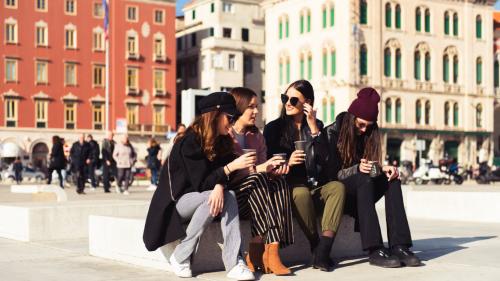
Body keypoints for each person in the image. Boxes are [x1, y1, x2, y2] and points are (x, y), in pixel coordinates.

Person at [143, 92, 255, 280]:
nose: (232, 122)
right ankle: (181, 255)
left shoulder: (222, 140)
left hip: (204, 197)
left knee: (228, 196)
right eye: (229, 117)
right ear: (215, 115)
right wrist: (228, 169)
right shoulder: (189, 142)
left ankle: (233, 263)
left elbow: (220, 176)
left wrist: (222, 182)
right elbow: (201, 183)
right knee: (212, 197)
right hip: (177, 202)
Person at [321, 87, 422, 268]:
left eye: (369, 125)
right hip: (340, 191)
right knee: (364, 177)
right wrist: (357, 168)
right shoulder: (332, 132)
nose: (364, 129)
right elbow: (331, 174)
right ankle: (374, 249)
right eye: (360, 124)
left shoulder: (368, 134)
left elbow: (370, 167)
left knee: (392, 181)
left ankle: (399, 246)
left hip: (363, 189)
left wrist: (383, 169)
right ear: (352, 118)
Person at [263, 80, 345, 272]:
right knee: (300, 193)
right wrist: (288, 163)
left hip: (316, 185)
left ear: (307, 102)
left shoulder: (317, 126)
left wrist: (314, 128)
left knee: (338, 188)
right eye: (285, 98)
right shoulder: (274, 128)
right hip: (291, 186)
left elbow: (329, 162)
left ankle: (324, 250)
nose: (288, 103)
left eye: (293, 99)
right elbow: (269, 162)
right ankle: (316, 244)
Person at [229, 87, 294, 275]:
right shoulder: (226, 135)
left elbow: (263, 170)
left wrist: (273, 171)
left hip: (258, 194)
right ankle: (259, 250)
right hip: (236, 197)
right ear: (239, 108)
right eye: (251, 107)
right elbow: (228, 176)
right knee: (258, 177)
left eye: (257, 106)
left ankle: (269, 251)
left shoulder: (256, 135)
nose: (256, 111)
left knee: (280, 182)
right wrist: (260, 169)